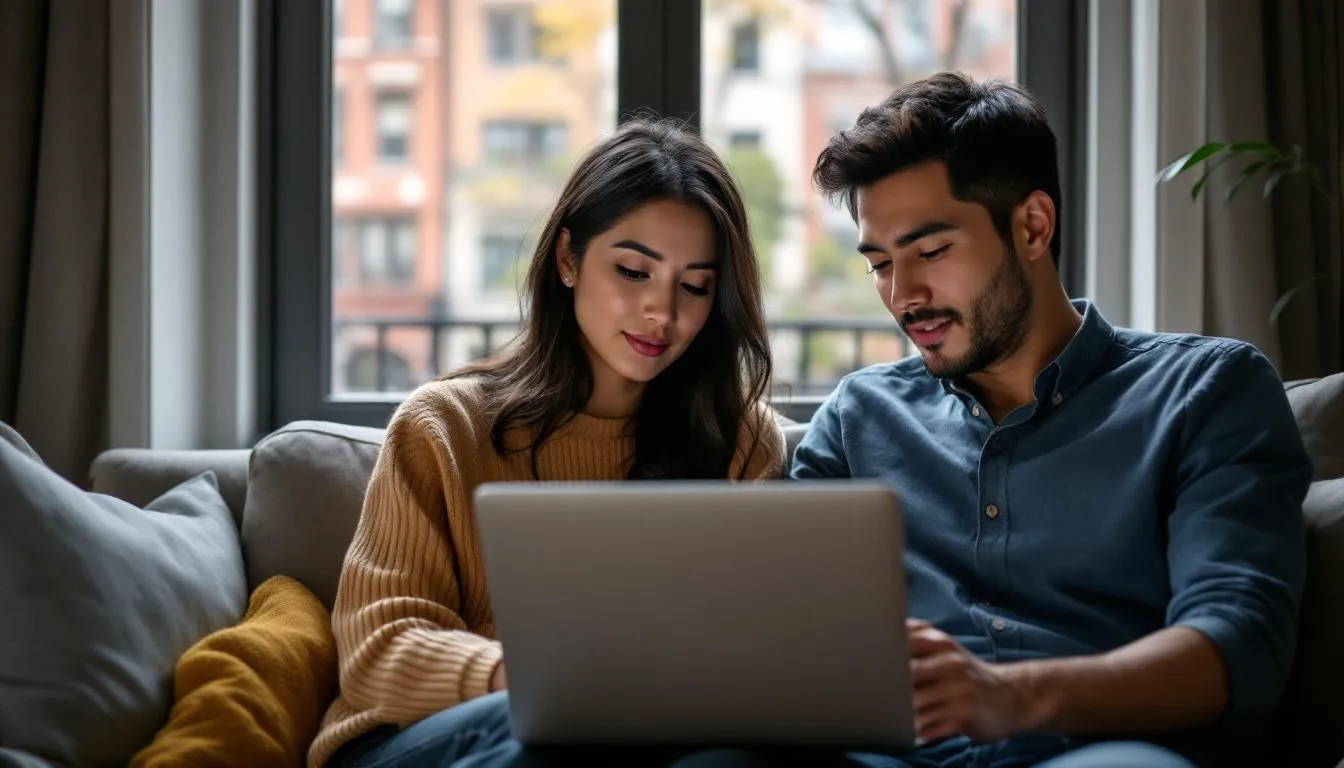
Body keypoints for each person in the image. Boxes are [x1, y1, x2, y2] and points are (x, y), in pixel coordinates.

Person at [787, 73, 1312, 767]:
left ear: (1032, 225)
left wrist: (1013, 696)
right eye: (879, 263)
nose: (901, 295)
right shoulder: (857, 420)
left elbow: (1237, 645)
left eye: (931, 252)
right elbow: (785, 633)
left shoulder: (1208, 393)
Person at [308, 117, 786, 768]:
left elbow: (755, 652)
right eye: (633, 271)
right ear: (568, 259)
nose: (662, 312)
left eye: (694, 286)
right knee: (547, 733)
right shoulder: (443, 426)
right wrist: (543, 681)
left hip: (644, 739)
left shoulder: (742, 439)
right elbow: (378, 651)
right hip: (419, 737)